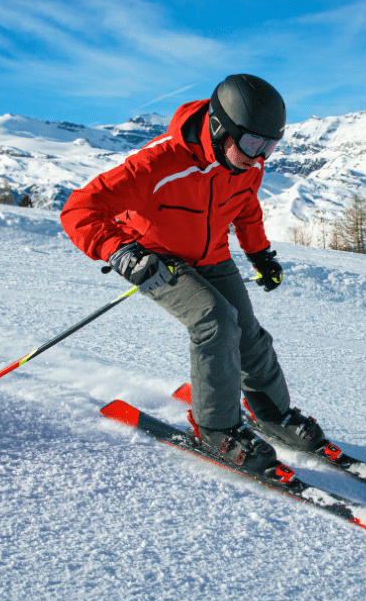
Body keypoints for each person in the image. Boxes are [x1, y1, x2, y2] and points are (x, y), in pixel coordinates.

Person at [61, 74, 325, 475]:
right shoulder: (158, 163)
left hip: (211, 255)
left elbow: (246, 210)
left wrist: (261, 255)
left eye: (270, 147)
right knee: (215, 323)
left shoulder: (246, 165)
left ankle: (274, 415)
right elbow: (79, 210)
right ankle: (216, 430)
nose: (259, 158)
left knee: (248, 332)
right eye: (254, 144)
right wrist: (122, 253)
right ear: (221, 128)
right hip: (157, 258)